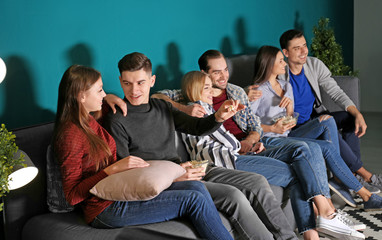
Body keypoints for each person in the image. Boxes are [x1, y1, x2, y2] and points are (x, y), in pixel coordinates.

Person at [154, 51, 365, 239]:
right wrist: (184, 108)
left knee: (308, 150)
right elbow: (156, 97)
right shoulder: (194, 102)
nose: (224, 76)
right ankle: (321, 219)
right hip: (231, 157)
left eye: (226, 70)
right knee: (302, 164)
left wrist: (252, 140)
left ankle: (323, 217)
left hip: (249, 144)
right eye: (216, 73)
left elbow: (254, 123)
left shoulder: (235, 92)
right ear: (203, 75)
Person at [103, 52, 303, 240]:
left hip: (184, 171)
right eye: (127, 83)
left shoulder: (162, 107)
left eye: (140, 82)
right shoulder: (117, 119)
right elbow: (126, 169)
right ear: (120, 81)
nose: (134, 90)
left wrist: (218, 117)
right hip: (160, 181)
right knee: (234, 195)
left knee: (247, 188)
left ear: (152, 81)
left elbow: (196, 127)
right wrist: (174, 174)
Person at [52, 64, 233, 240]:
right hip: (103, 210)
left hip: (118, 192)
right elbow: (72, 195)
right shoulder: (71, 135)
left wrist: (109, 98)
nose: (105, 94)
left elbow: (110, 100)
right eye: (100, 90)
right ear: (81, 96)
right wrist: (112, 170)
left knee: (197, 186)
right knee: (194, 199)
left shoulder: (91, 116)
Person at [249, 45, 382, 211]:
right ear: (269, 65)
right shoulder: (257, 92)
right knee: (325, 145)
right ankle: (364, 194)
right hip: (270, 139)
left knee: (327, 120)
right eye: (281, 61)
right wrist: (271, 128)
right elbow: (248, 126)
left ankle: (343, 181)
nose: (284, 64)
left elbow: (291, 119)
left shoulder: (285, 86)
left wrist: (290, 109)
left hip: (290, 134)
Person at [275, 29, 382, 193]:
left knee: (349, 118)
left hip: (314, 118)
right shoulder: (279, 74)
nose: (304, 51)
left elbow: (335, 91)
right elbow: (259, 85)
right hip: (295, 130)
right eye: (297, 48)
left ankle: (347, 175)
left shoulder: (313, 65)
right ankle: (365, 175)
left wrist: (357, 113)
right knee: (327, 122)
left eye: (304, 45)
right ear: (286, 53)